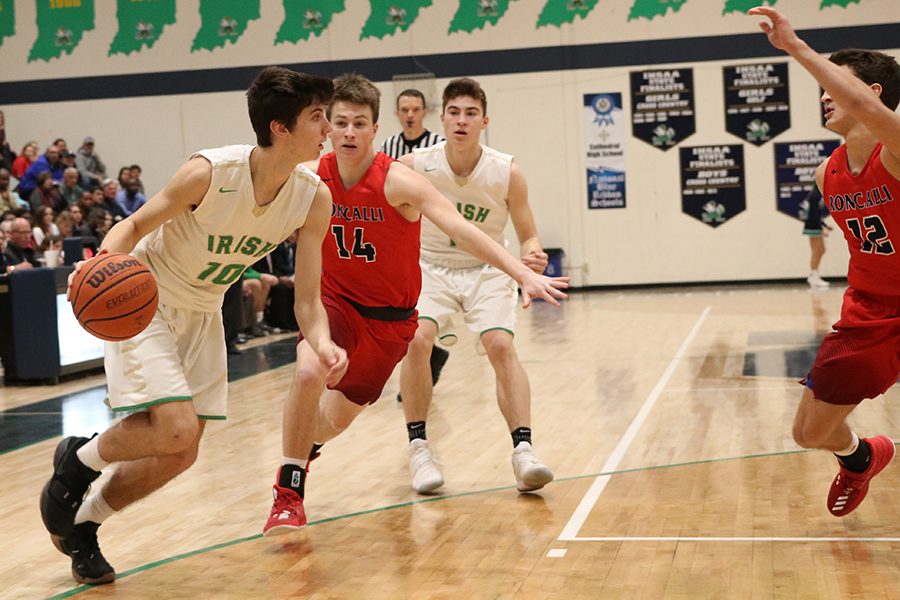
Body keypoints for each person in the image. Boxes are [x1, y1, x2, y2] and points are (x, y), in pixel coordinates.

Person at [37, 66, 347, 585]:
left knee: (182, 453)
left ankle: (83, 526)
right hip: (148, 297)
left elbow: (310, 300)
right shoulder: (209, 172)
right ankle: (78, 461)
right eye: (317, 117)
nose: (328, 128)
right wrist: (98, 268)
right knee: (175, 427)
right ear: (280, 128)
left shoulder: (313, 198)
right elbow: (133, 225)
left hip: (206, 309)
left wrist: (323, 343)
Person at [262, 73, 568, 536]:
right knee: (307, 372)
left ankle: (304, 450)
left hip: (387, 322)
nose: (348, 132)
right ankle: (289, 495)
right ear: (327, 125)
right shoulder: (309, 179)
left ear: (372, 128)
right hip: (334, 305)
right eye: (340, 122)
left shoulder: (398, 181)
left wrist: (521, 271)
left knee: (325, 426)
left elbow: (463, 229)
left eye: (359, 124)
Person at [749, 6, 900, 517]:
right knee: (808, 431)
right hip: (871, 312)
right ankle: (861, 458)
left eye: (835, 84)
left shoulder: (896, 148)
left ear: (873, 95)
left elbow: (864, 105)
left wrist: (797, 47)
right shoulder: (824, 174)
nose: (823, 94)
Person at [397, 77, 554, 494]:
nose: (461, 121)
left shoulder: (507, 172)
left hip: (487, 269)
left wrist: (533, 255)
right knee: (417, 340)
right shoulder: (415, 165)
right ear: (442, 118)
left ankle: (524, 452)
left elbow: (529, 234)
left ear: (484, 121)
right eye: (454, 112)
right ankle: (419, 448)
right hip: (430, 265)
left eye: (470, 114)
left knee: (501, 346)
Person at [380, 88, 451, 399]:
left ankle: (421, 361)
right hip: (400, 234)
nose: (410, 114)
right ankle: (425, 357)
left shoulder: (440, 146)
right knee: (404, 306)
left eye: (415, 109)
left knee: (424, 308)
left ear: (425, 112)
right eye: (404, 109)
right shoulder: (389, 147)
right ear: (397, 114)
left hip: (433, 235)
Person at [802, 185, 832, 288]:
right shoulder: (815, 195)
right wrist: (821, 228)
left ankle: (814, 275)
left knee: (821, 250)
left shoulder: (818, 194)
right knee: (817, 251)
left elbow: (817, 214)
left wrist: (825, 225)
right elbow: (813, 215)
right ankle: (813, 276)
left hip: (815, 224)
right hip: (812, 225)